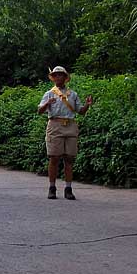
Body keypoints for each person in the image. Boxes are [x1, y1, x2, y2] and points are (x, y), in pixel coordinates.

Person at [37, 66, 93, 200]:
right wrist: (47, 104)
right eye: (55, 75)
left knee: (69, 158)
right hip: (55, 125)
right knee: (54, 158)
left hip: (70, 125)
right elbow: (39, 111)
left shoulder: (72, 94)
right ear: (53, 78)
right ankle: (52, 187)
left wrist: (87, 105)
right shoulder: (49, 94)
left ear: (65, 77)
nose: (57, 77)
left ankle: (68, 188)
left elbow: (80, 111)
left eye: (60, 75)